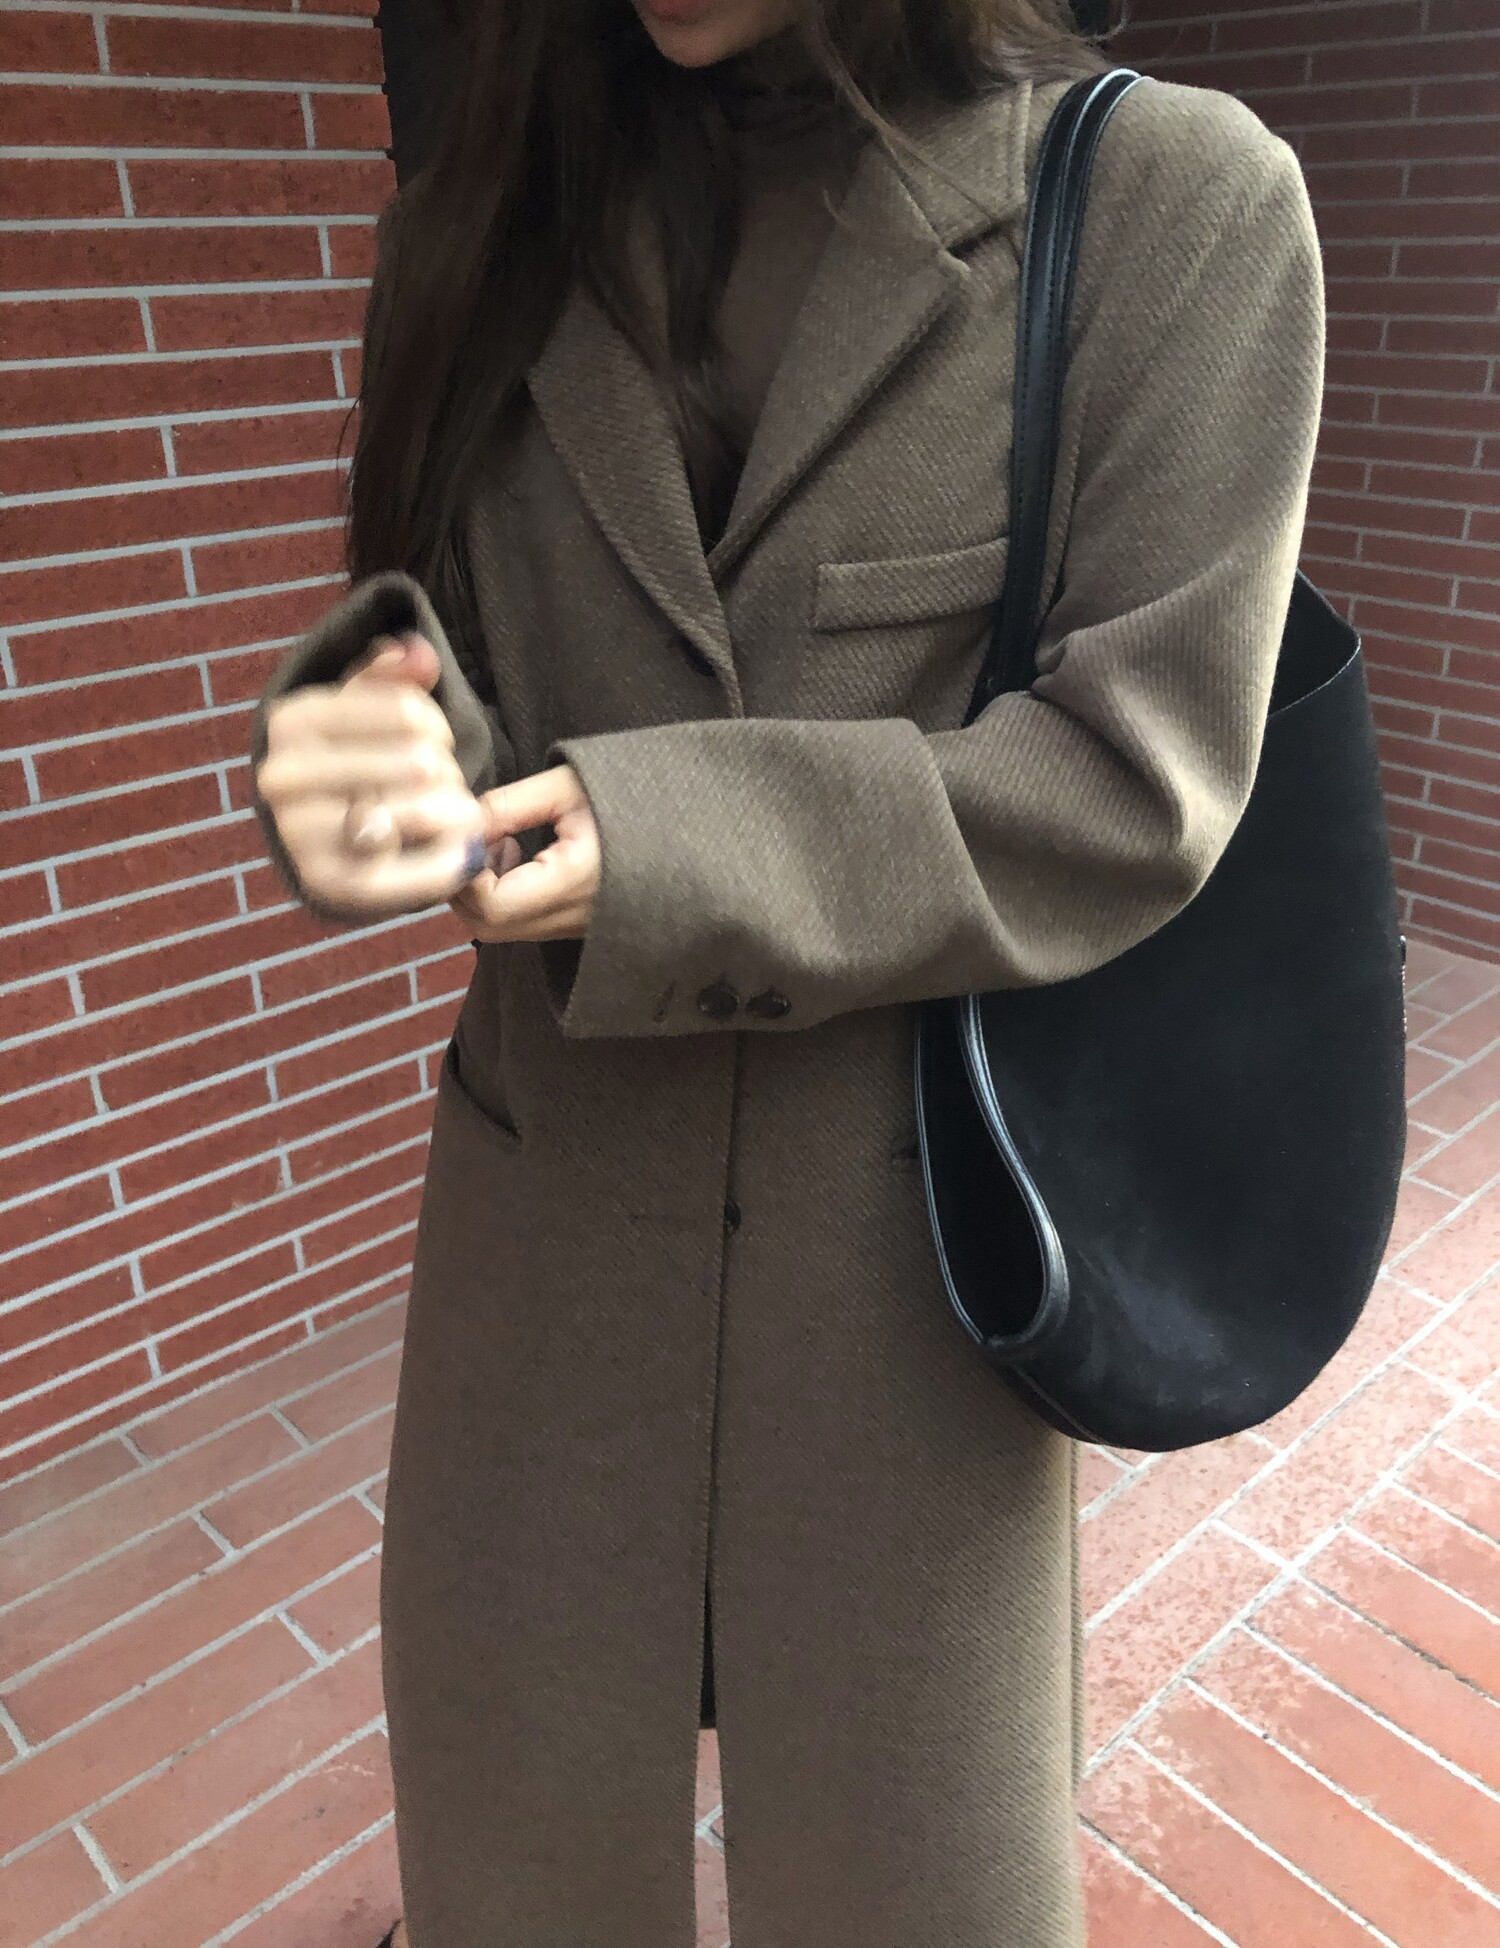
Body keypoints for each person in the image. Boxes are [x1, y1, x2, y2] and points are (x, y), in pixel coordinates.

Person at [249, 0, 1326, 1943]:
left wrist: (666, 836)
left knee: (913, 1892)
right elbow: (440, 645)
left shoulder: (1168, 205)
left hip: (903, 1271)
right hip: (543, 1250)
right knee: (513, 1879)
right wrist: (376, 750)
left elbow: (1140, 774)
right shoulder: (477, 213)